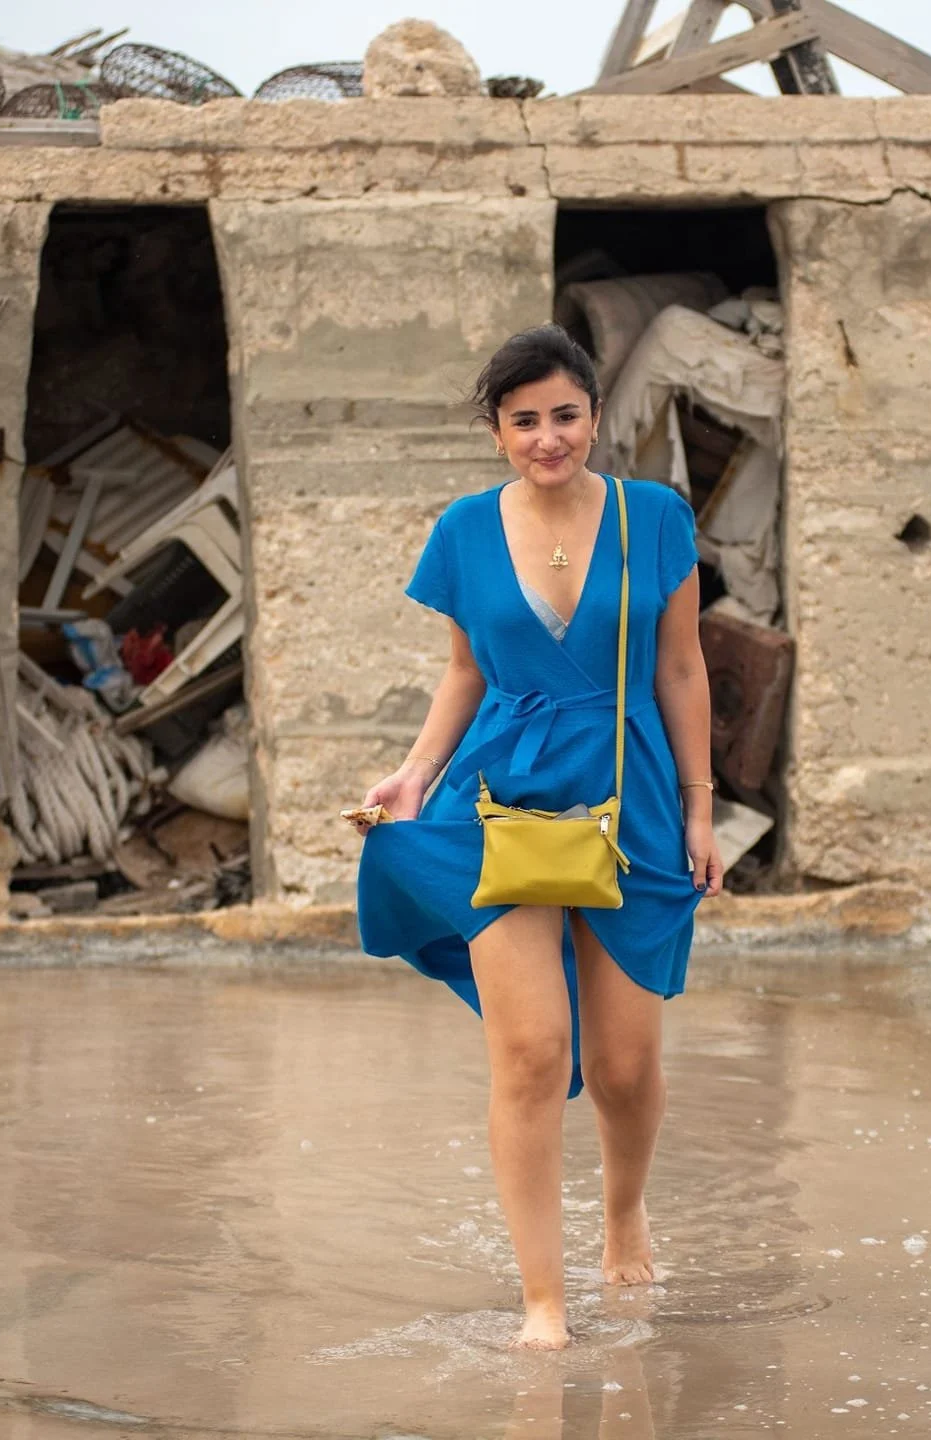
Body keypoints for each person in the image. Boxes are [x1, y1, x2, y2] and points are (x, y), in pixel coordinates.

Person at [354, 323, 723, 1350]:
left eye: (565, 415)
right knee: (529, 1053)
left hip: (630, 798)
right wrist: (415, 773)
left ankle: (623, 1213)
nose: (547, 437)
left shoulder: (655, 518)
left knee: (622, 1065)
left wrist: (700, 808)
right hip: (500, 797)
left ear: (595, 417)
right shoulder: (464, 530)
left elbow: (680, 668)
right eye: (525, 421)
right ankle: (543, 1303)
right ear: (497, 431)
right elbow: (466, 672)